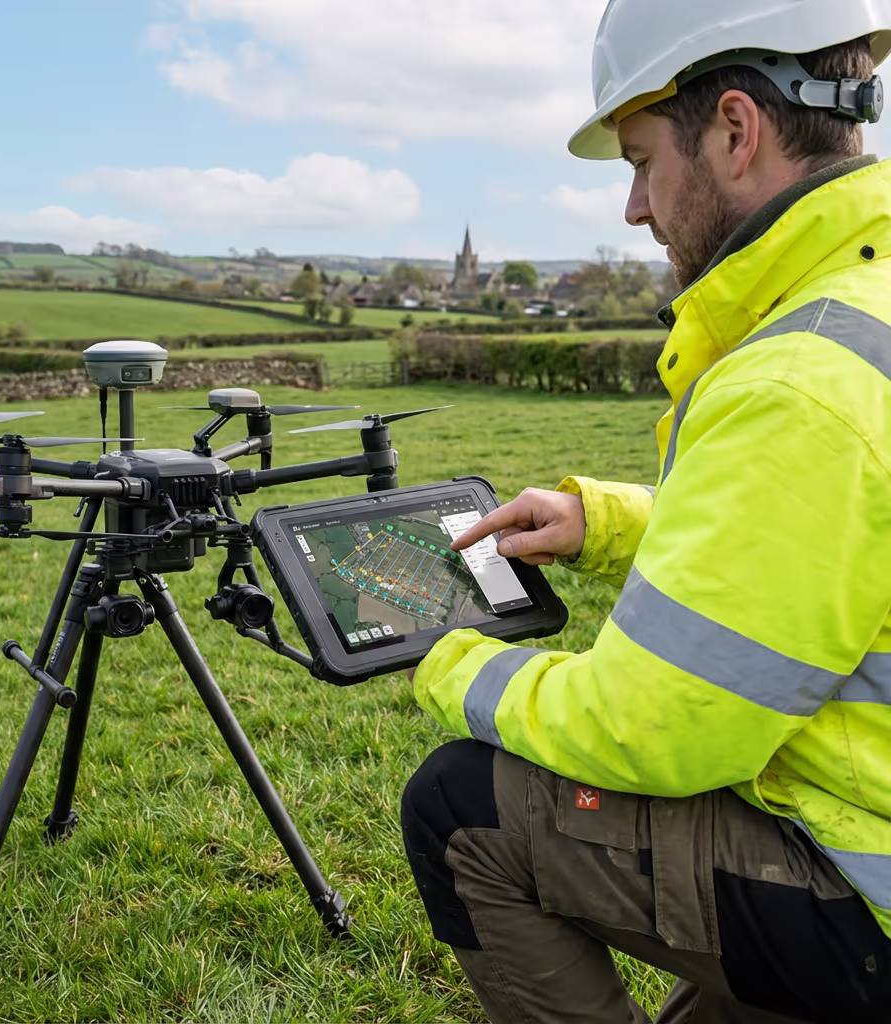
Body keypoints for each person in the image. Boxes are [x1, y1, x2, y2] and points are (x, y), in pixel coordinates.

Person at [400, 2, 891, 1021]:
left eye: (639, 161)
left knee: (460, 806)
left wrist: (445, 658)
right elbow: (813, 535)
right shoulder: (864, 311)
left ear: (735, 131)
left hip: (868, 881)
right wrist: (608, 523)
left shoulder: (799, 379)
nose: (633, 207)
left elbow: (653, 729)